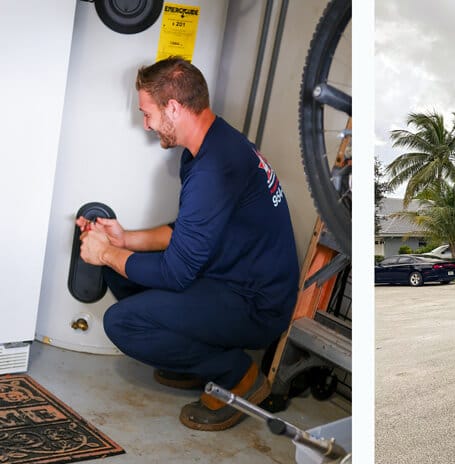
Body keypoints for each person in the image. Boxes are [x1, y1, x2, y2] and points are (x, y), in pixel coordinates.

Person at [77, 57, 299, 431]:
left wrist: (106, 252)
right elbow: (190, 230)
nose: (145, 124)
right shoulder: (210, 146)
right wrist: (124, 239)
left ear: (174, 108)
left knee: (123, 323)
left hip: (256, 304)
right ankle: (197, 358)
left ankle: (238, 375)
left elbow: (176, 273)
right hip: (227, 278)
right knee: (120, 274)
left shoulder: (215, 167)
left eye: (147, 113)